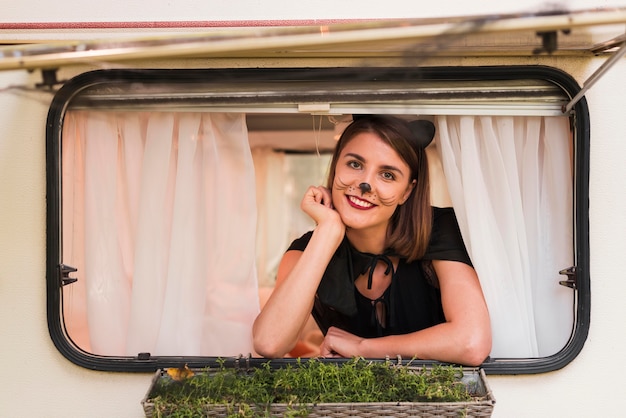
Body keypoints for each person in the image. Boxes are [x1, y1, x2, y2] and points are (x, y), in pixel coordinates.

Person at [253, 115, 491, 366]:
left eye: (387, 175)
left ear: (407, 192)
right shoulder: (305, 251)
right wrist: (329, 231)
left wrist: (362, 347)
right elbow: (269, 342)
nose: (365, 184)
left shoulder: (440, 230)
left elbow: (471, 342)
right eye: (355, 164)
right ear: (335, 168)